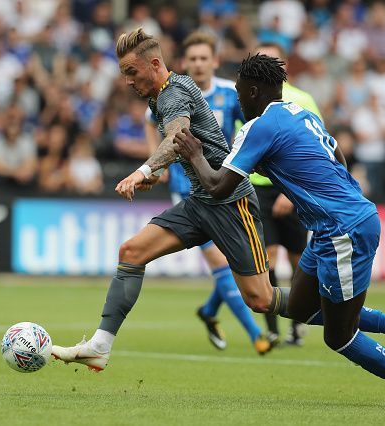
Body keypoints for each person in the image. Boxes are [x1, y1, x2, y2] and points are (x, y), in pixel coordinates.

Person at [172, 53, 385, 407]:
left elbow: (219, 185)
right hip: (330, 226)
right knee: (299, 307)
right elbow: (339, 158)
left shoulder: (258, 127)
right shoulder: (301, 113)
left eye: (240, 93)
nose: (238, 99)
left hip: (343, 230)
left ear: (253, 91)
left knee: (339, 335)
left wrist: (193, 153)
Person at [52, 27, 273, 371]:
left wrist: (141, 171)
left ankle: (357, 317)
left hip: (232, 203)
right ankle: (100, 346)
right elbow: (179, 147)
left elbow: (177, 137)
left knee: (261, 298)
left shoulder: (172, 95)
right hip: (201, 201)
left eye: (131, 71)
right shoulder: (162, 94)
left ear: (154, 63)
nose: (126, 81)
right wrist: (155, 173)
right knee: (131, 252)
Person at [144, 30, 268, 354]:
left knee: (231, 261)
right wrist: (153, 164)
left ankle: (211, 310)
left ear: (214, 61)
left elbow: (254, 124)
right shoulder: (168, 96)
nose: (198, 64)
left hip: (222, 187)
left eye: (204, 58)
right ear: (185, 62)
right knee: (221, 261)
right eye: (193, 59)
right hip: (186, 191)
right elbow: (149, 120)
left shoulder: (229, 94)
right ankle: (257, 335)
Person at [251, 42, 322, 347]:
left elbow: (315, 148)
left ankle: (296, 325)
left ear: (284, 66)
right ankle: (272, 329)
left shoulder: (302, 99)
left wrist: (292, 193)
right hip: (258, 187)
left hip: (292, 188)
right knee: (266, 258)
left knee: (297, 262)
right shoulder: (251, 97)